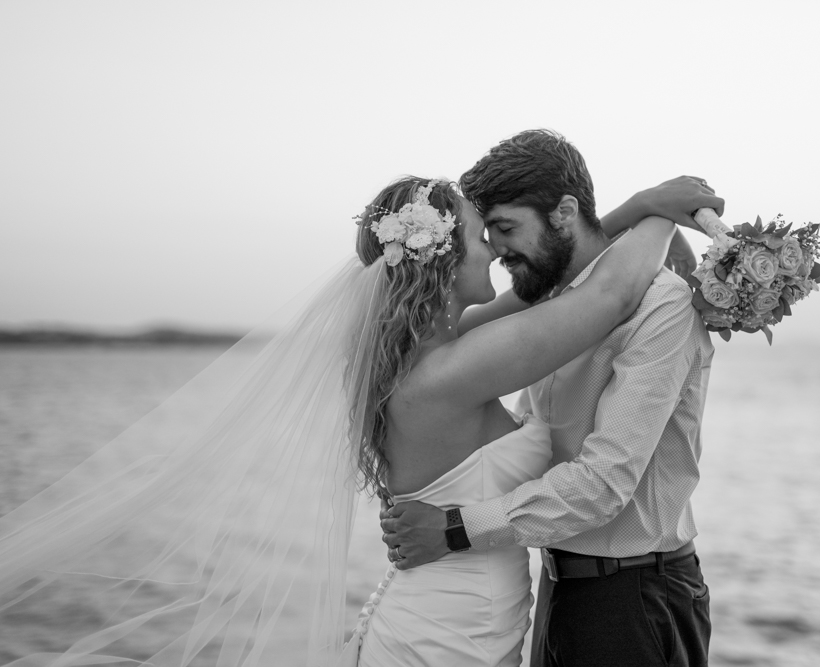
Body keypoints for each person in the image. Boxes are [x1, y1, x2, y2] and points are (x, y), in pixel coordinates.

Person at [0, 155, 718, 665]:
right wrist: (657, 206)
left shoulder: (435, 350)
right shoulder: (451, 370)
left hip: (470, 620)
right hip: (450, 634)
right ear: (439, 260)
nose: (497, 256)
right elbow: (602, 299)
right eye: (482, 237)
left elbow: (552, 283)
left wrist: (605, 219)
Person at [381, 130, 718, 667]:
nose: (494, 249)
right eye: (486, 231)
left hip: (633, 596)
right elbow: (595, 287)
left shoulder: (661, 304)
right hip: (557, 590)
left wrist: (453, 527)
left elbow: (604, 483)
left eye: (506, 228)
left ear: (563, 212)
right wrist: (645, 210)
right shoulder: (549, 308)